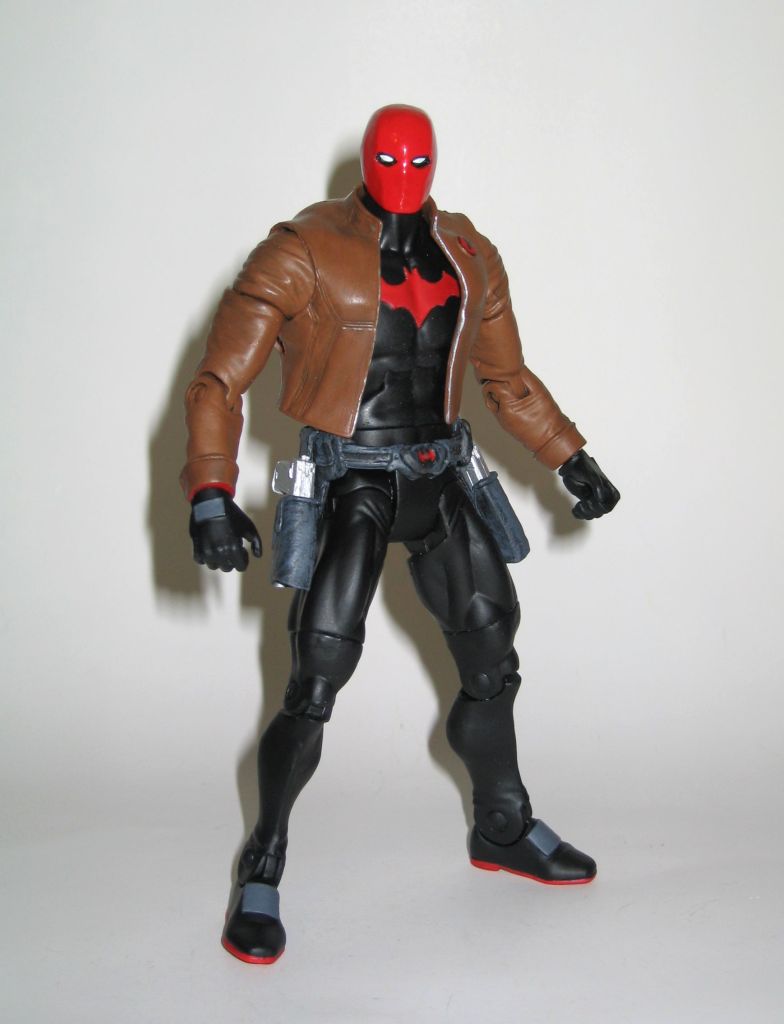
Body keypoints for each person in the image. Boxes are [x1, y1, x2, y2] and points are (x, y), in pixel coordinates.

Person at [181, 104, 620, 964]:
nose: (404, 175)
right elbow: (219, 380)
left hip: (441, 475)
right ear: (367, 160)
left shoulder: (468, 251)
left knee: (493, 655)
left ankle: (501, 823)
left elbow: (506, 376)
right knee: (315, 680)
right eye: (390, 160)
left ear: (434, 163)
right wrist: (209, 490)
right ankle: (262, 861)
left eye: (419, 161)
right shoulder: (302, 249)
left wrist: (570, 457)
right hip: (350, 479)